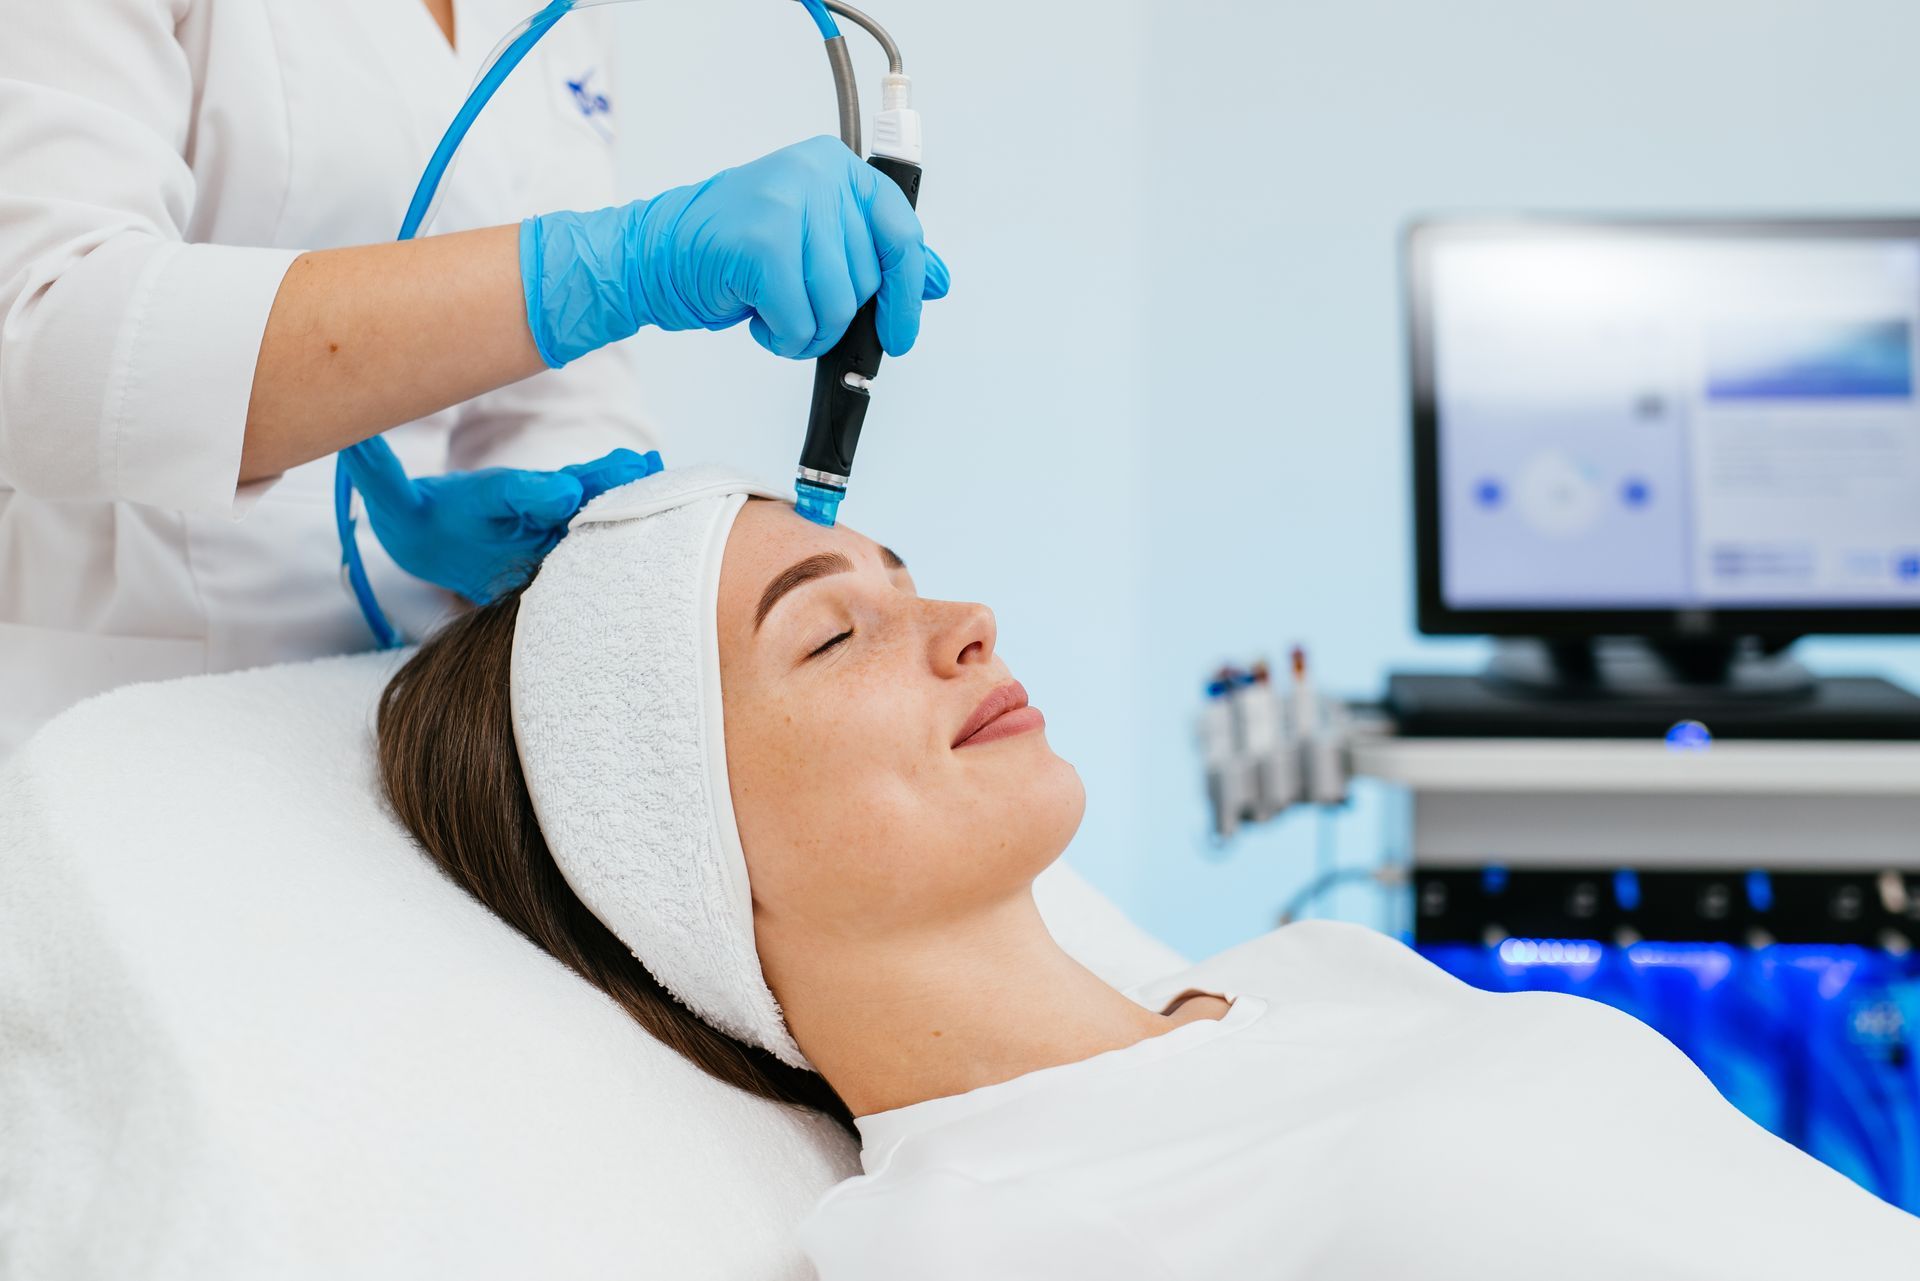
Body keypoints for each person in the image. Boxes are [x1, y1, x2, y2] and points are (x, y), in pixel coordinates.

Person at [373, 470, 1920, 1280]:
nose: (967, 620)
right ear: (683, 861)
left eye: (905, 578)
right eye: (832, 632)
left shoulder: (1316, 970)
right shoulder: (979, 1232)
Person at [0, 0, 946, 755]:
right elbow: (42, 338)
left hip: (427, 729)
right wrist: (610, 266)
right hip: (126, 717)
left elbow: (556, 398)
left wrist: (576, 545)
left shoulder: (568, 14)